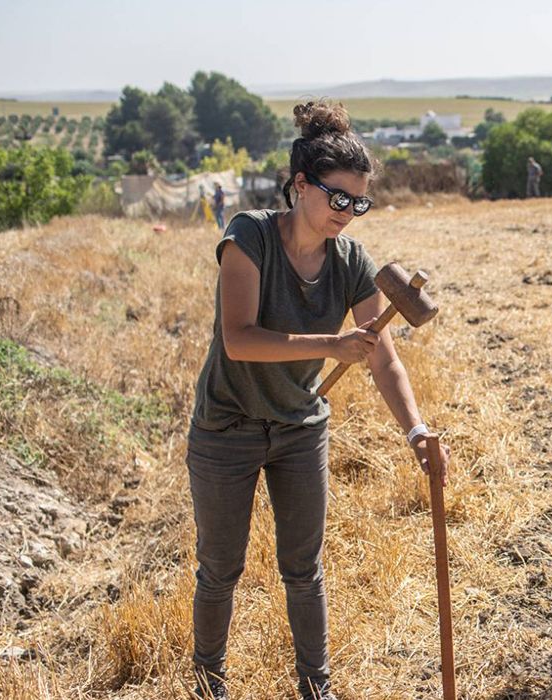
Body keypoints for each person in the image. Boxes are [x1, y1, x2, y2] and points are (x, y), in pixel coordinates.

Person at [186, 100, 448, 700]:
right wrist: (332, 344)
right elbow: (240, 339)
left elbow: (381, 356)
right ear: (300, 185)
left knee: (303, 570)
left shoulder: (351, 260)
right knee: (221, 569)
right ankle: (208, 685)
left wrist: (416, 429)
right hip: (227, 428)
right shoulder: (248, 236)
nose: (349, 214)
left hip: (300, 428)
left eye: (360, 204)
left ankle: (316, 688)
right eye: (338, 199)